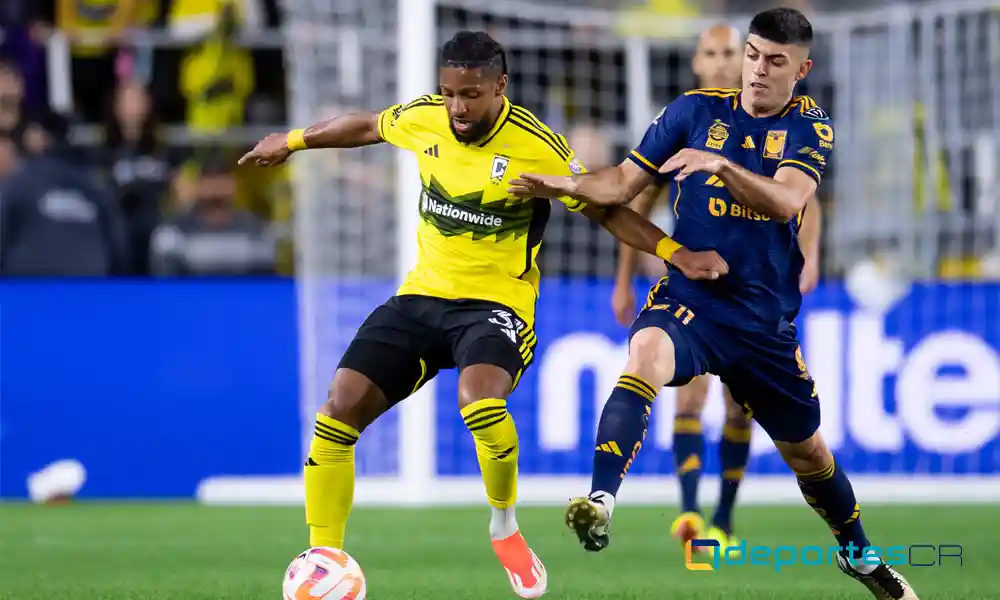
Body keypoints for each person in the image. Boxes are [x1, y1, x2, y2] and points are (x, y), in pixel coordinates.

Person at [240, 30, 726, 599]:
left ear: (500, 87)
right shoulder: (425, 118)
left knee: (479, 399)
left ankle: (505, 529)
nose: (456, 108)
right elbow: (367, 125)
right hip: (421, 298)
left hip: (497, 307)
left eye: (469, 94)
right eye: (447, 93)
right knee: (336, 411)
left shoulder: (536, 145)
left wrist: (674, 252)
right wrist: (294, 140)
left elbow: (605, 210)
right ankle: (326, 553)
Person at [509, 9, 918, 600]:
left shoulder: (811, 126)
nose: (757, 70)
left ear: (801, 69)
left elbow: (787, 202)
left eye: (775, 61)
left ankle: (858, 554)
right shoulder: (692, 112)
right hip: (692, 299)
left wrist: (722, 166)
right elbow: (623, 186)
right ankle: (600, 501)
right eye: (753, 54)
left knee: (809, 453)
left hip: (760, 321)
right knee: (645, 353)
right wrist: (564, 183)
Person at [610, 24, 821, 556]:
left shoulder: (789, 120)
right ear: (699, 63)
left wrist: (811, 257)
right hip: (694, 279)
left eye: (738, 52)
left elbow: (803, 201)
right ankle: (689, 511)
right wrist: (625, 277)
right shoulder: (690, 117)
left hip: (757, 287)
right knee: (690, 392)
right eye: (719, 53)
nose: (730, 62)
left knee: (738, 406)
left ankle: (724, 516)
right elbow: (634, 197)